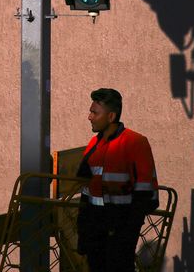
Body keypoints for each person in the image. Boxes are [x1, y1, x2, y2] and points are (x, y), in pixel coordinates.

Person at [75, 88, 159, 272]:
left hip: (120, 227)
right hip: (96, 225)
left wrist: (127, 230)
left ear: (111, 116)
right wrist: (83, 232)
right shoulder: (93, 144)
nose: (89, 117)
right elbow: (86, 191)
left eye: (94, 112)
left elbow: (145, 192)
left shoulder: (135, 142)